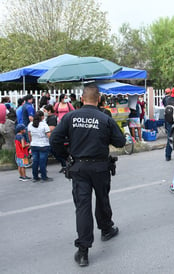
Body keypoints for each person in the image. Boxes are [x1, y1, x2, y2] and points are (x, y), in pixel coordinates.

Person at [50, 84, 125, 267]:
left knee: (83, 207)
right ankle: (106, 229)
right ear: (98, 99)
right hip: (100, 167)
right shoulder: (104, 118)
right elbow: (121, 142)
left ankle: (83, 252)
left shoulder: (70, 117)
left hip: (79, 168)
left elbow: (54, 140)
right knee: (102, 199)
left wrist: (65, 157)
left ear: (81, 99)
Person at [28, 111, 52, 182]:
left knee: (35, 161)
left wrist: (31, 142)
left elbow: (29, 134)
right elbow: (48, 135)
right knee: (42, 162)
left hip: (34, 145)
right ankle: (44, 177)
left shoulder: (30, 124)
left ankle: (35, 177)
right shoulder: (44, 125)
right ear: (42, 117)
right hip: (43, 145)